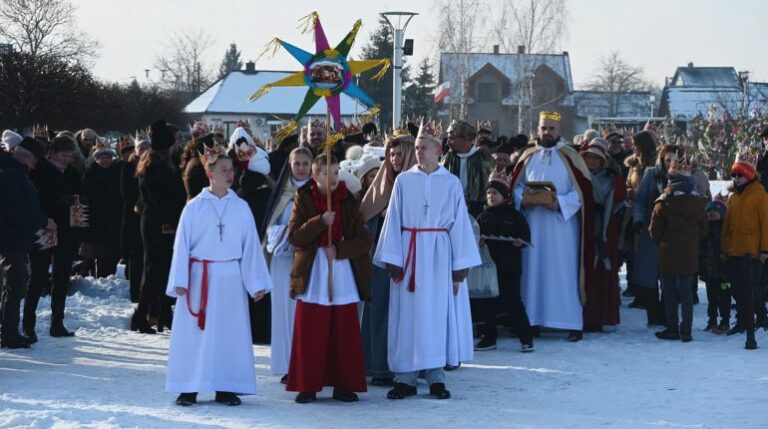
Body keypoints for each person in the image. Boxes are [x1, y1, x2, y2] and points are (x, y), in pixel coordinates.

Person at [374, 122, 480, 400]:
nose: (419, 152)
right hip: (409, 255)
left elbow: (459, 226)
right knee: (407, 315)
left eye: (424, 148)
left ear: (438, 150)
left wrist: (460, 268)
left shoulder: (451, 183)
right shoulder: (404, 181)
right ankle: (405, 378)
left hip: (439, 256)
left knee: (436, 314)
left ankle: (435, 376)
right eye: (417, 148)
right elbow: (393, 219)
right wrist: (393, 260)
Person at [166, 152, 271, 407]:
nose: (230, 173)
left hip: (230, 279)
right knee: (195, 334)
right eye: (224, 169)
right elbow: (181, 245)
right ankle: (189, 387)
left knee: (229, 332)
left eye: (231, 169)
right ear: (210, 173)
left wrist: (256, 282)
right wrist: (180, 279)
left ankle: (227, 386)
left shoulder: (241, 207)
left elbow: (250, 248)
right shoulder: (194, 207)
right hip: (199, 277)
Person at [286, 154, 373, 404]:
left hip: (342, 270)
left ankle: (345, 384)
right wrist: (320, 222)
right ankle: (308, 384)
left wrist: (340, 250)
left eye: (336, 172)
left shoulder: (348, 200)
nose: (332, 178)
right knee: (311, 330)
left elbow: (364, 240)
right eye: (326, 173)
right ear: (315, 176)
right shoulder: (303, 198)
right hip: (313, 271)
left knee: (343, 331)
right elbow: (295, 237)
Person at [510, 111, 594, 342]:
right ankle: (533, 320)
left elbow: (582, 193)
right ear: (537, 130)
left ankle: (570, 322)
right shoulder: (528, 156)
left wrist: (560, 203)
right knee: (532, 272)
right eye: (543, 128)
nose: (547, 132)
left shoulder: (570, 157)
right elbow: (515, 187)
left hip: (562, 229)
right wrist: (523, 199)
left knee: (563, 272)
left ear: (559, 131)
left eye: (551, 128)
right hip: (533, 225)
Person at [359, 129, 417, 386]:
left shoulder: (417, 185)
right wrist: (378, 220)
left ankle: (413, 365)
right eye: (391, 154)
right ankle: (379, 365)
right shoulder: (381, 187)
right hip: (382, 260)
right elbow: (364, 218)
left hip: (411, 257)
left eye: (399, 154)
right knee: (381, 308)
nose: (394, 159)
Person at [25, 135, 84, 341]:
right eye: (63, 156)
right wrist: (58, 201)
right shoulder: (39, 170)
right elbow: (35, 199)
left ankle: (57, 322)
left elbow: (80, 197)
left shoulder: (72, 173)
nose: (66, 160)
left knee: (62, 278)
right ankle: (28, 325)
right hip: (45, 229)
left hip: (67, 231)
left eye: (69, 156)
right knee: (38, 277)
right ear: (52, 153)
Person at [264, 147, 313, 384]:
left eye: (306, 163)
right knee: (284, 312)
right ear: (290, 166)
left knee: (307, 312)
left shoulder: (319, 191)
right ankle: (287, 364)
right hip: (283, 262)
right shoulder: (282, 193)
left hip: (311, 260)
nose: (302, 168)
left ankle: (309, 362)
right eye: (297, 164)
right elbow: (268, 226)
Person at [133, 119, 186, 334]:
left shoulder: (162, 162)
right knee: (154, 270)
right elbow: (160, 200)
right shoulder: (156, 166)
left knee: (161, 269)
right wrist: (173, 221)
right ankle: (141, 314)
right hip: (159, 223)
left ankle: (164, 312)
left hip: (160, 221)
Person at [0, 132, 51, 348]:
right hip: (11, 239)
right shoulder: (12, 175)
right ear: (25, 156)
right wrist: (43, 221)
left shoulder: (16, 173)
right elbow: (16, 211)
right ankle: (9, 333)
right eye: (33, 161)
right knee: (15, 285)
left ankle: (9, 331)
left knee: (14, 285)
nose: (34, 166)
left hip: (15, 238)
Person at [649, 158, 708, 342]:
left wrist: (663, 242)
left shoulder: (663, 203)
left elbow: (654, 231)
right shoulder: (698, 204)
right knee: (687, 292)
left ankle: (672, 327)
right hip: (689, 252)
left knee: (669, 292)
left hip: (668, 253)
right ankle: (686, 330)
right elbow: (704, 231)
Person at [474, 172, 533, 352]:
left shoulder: (515, 216)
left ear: (505, 196)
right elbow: (475, 237)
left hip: (509, 267)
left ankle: (526, 339)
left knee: (514, 301)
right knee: (487, 303)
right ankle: (489, 338)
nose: (491, 197)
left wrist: (519, 242)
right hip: (489, 268)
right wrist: (480, 240)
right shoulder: (482, 216)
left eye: (495, 193)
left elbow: (526, 237)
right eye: (489, 193)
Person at [720, 151, 768, 350]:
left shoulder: (760, 194)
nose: (736, 178)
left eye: (740, 174)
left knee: (752, 289)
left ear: (749, 174)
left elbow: (766, 224)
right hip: (734, 250)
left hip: (753, 252)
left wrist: (765, 249)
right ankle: (743, 320)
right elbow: (727, 225)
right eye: (734, 175)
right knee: (737, 289)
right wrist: (724, 248)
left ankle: (760, 318)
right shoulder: (733, 197)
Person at [632, 144, 682, 326]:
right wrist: (638, 219)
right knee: (648, 275)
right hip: (651, 230)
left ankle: (668, 315)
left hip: (675, 233)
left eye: (674, 160)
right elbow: (640, 198)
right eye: (667, 160)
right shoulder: (651, 174)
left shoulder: (684, 176)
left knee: (671, 277)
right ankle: (654, 314)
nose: (670, 164)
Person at [580, 140, 623, 331]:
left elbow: (618, 199)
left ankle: (599, 317)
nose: (591, 160)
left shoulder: (611, 179)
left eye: (595, 158)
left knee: (602, 274)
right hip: (583, 225)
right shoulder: (579, 176)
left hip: (605, 227)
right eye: (588, 156)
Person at [81, 147, 123, 278]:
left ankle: (107, 274)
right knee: (94, 248)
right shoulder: (90, 172)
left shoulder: (116, 172)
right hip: (95, 216)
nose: (105, 160)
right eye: (102, 158)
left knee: (110, 249)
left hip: (112, 215)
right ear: (97, 158)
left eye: (108, 157)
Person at [442, 120, 493, 217]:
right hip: (452, 206)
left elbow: (491, 184)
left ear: (464, 139)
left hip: (477, 208)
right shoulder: (448, 158)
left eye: (452, 138)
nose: (448, 142)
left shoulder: (483, 158)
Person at [121, 139, 150, 303]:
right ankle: (134, 292)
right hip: (133, 215)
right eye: (141, 148)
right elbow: (126, 192)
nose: (144, 150)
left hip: (149, 215)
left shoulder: (151, 165)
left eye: (147, 147)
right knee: (136, 255)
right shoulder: (128, 166)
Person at [698, 199, 731, 334]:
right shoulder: (705, 229)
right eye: (709, 212)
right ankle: (712, 321)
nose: (711, 214)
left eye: (714, 212)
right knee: (711, 297)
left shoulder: (725, 230)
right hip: (709, 271)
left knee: (724, 296)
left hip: (724, 273)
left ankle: (725, 321)